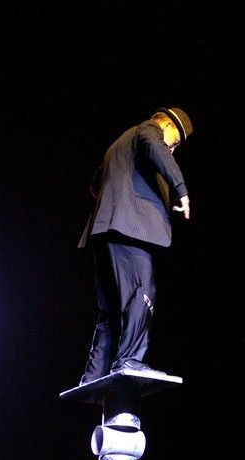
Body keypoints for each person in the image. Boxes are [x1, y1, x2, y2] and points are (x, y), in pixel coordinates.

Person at [78, 106, 193, 384]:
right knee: (143, 291)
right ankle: (130, 359)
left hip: (103, 231)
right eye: (175, 142)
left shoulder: (118, 145)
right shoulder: (149, 130)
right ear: (167, 125)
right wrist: (180, 189)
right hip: (128, 229)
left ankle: (92, 375)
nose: (172, 149)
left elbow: (96, 183)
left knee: (110, 309)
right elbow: (154, 145)